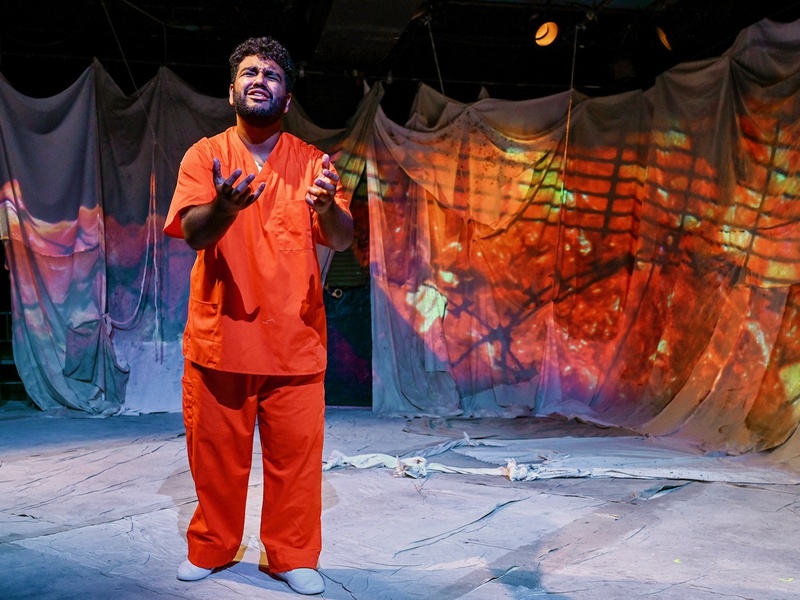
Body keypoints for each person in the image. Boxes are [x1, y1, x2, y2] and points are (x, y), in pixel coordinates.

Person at [163, 36, 353, 596]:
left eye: (272, 74)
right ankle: (212, 547)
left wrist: (327, 208)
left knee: (296, 461)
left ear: (287, 98)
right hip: (221, 337)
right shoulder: (205, 156)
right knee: (215, 459)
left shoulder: (313, 163)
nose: (259, 80)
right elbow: (194, 234)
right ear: (231, 92)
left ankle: (291, 555)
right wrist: (223, 206)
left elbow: (343, 239)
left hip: (294, 342)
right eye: (249, 72)